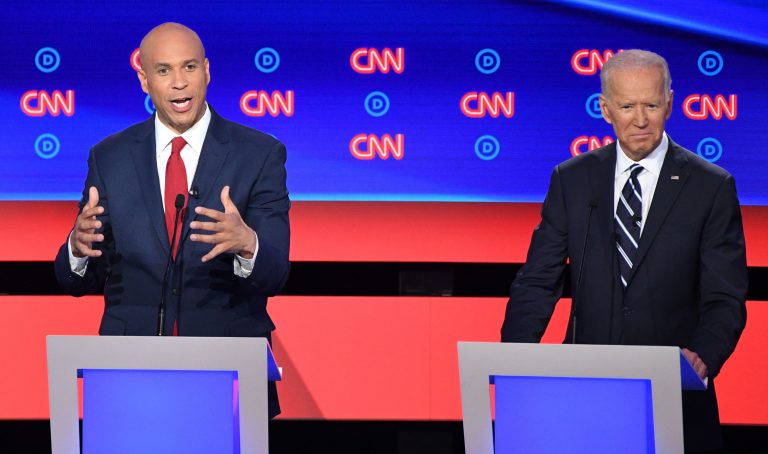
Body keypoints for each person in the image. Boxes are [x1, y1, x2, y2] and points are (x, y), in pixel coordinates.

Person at [501, 49, 747, 453]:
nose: (640, 119)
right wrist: (512, 363)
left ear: (669, 103)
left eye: (651, 104)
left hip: (674, 396)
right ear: (605, 109)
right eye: (627, 105)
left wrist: (702, 355)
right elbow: (538, 281)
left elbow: (725, 297)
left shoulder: (710, 187)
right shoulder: (573, 180)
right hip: (584, 392)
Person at [54, 22, 290, 417]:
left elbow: (275, 273)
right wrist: (77, 250)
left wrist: (249, 245)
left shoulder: (259, 154)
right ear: (144, 80)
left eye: (190, 67)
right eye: (163, 71)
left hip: (228, 374)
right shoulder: (109, 157)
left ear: (208, 71)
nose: (179, 83)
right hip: (129, 375)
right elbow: (78, 280)